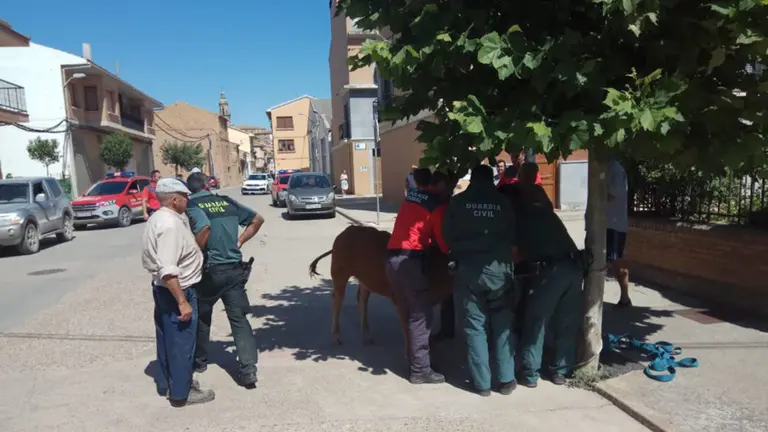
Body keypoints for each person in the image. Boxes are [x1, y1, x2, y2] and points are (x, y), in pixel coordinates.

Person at [443, 164, 517, 396]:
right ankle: (506, 380)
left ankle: (482, 384)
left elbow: (446, 235)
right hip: (499, 271)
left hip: (467, 270)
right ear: (491, 179)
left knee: (475, 327)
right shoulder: (504, 202)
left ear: (473, 179)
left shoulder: (457, 202)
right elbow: (514, 234)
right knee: (502, 325)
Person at [185, 172, 265, 387]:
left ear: (190, 189)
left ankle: (199, 361)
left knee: (202, 316)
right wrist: (239, 242)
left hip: (208, 272)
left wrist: (193, 253)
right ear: (207, 185)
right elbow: (257, 219)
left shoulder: (191, 205)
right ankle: (248, 369)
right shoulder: (226, 202)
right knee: (239, 319)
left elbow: (202, 228)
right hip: (234, 271)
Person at [141, 177, 215, 407]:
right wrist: (182, 301)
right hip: (177, 291)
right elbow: (168, 269)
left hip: (165, 292)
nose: (187, 201)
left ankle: (170, 384)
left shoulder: (163, 217)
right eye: (184, 197)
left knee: (168, 341)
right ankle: (182, 394)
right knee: (182, 344)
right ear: (174, 199)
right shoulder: (170, 226)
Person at [510, 182, 583, 387]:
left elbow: (514, 255)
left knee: (536, 321)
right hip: (574, 267)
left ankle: (530, 373)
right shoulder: (548, 214)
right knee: (566, 321)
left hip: (550, 272)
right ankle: (561, 371)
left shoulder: (521, 219)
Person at [386, 167, 448, 384]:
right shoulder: (435, 204)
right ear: (439, 186)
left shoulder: (410, 197)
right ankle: (420, 370)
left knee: (410, 312)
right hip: (409, 262)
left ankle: (418, 361)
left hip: (392, 260)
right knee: (421, 316)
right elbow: (442, 240)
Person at [607, 158, 631, 307]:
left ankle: (625, 296)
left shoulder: (616, 170)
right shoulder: (600, 168)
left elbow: (612, 194)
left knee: (616, 260)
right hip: (599, 223)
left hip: (614, 223)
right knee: (594, 260)